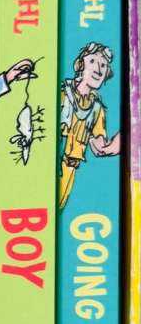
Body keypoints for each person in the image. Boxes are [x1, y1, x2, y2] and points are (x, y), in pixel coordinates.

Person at [59, 41, 120, 209]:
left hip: (70, 170)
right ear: (81, 65)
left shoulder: (97, 109)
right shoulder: (62, 93)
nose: (98, 70)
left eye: (103, 65)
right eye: (92, 61)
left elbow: (99, 143)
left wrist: (116, 143)